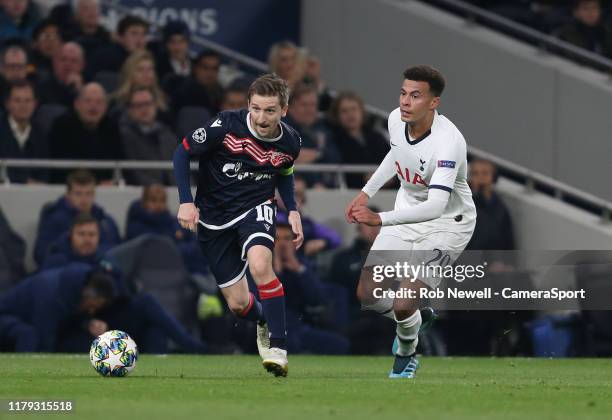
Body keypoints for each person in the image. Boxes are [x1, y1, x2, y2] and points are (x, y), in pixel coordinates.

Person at [345, 65, 476, 378]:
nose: (405, 101)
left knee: (404, 305)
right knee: (368, 295)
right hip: (407, 213)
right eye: (403, 93)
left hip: (447, 224)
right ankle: (419, 318)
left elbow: (435, 207)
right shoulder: (395, 119)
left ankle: (406, 353)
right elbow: (396, 154)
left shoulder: (449, 143)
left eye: (415, 96)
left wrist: (379, 218)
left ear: (433, 102)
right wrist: (366, 192)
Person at [173, 73, 303, 376]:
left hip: (255, 208)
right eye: (255, 108)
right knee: (238, 304)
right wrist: (185, 200)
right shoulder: (226, 125)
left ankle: (278, 348)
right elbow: (182, 152)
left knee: (261, 265)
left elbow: (284, 171)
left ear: (284, 110)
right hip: (214, 218)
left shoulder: (291, 140)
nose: (261, 117)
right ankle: (262, 319)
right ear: (248, 105)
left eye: (270, 110)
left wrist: (292, 209)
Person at [0, 264, 115, 352]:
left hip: (35, 322)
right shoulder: (50, 293)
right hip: (6, 316)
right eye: (91, 306)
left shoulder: (75, 289)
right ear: (86, 293)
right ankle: (23, 375)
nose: (91, 311)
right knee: (29, 335)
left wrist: (88, 323)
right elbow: (44, 337)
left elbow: (70, 317)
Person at [34, 169, 120, 265]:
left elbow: (119, 253)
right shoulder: (54, 220)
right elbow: (41, 254)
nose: (84, 199)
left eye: (89, 194)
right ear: (68, 195)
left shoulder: (106, 222)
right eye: (78, 194)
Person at [48, 82, 121, 182]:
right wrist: (97, 182)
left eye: (99, 102)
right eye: (88, 101)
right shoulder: (62, 126)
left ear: (105, 107)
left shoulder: (111, 128)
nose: (93, 106)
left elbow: (118, 160)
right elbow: (63, 166)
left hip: (105, 187)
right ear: (77, 104)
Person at [327, 91, 389, 188]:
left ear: (361, 112)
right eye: (344, 111)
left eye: (354, 109)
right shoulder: (333, 140)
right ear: (337, 115)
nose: (350, 114)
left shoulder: (377, 137)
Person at [118, 86, 176, 185]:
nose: (144, 109)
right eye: (138, 105)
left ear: (155, 105)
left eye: (147, 104)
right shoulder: (125, 136)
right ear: (130, 110)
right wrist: (155, 188)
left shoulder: (168, 135)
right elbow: (133, 171)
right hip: (145, 193)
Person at [0, 80, 49, 183]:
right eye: (17, 100)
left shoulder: (41, 132)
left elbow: (45, 170)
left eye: (28, 101)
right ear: (7, 104)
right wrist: (23, 181)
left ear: (35, 104)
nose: (23, 105)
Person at [41, 212, 107, 269]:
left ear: (99, 237)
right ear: (71, 236)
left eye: (92, 234)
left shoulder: (105, 261)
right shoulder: (55, 263)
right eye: (81, 234)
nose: (87, 239)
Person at [37, 41, 85, 107]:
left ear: (81, 65)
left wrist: (79, 92)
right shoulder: (41, 89)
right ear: (54, 62)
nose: (68, 65)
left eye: (74, 61)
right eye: (63, 59)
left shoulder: (88, 89)